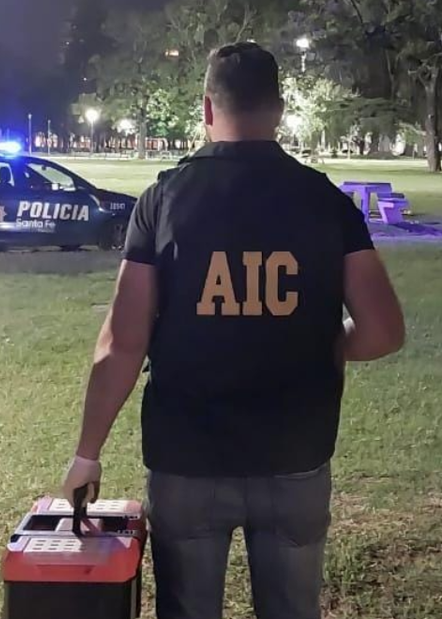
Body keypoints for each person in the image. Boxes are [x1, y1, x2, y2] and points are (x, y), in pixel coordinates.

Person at [61, 43, 405, 619]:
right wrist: (320, 343)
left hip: (188, 456)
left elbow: (123, 342)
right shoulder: (326, 201)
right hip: (296, 453)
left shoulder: (163, 201)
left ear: (206, 108)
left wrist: (87, 453)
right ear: (278, 108)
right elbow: (384, 330)